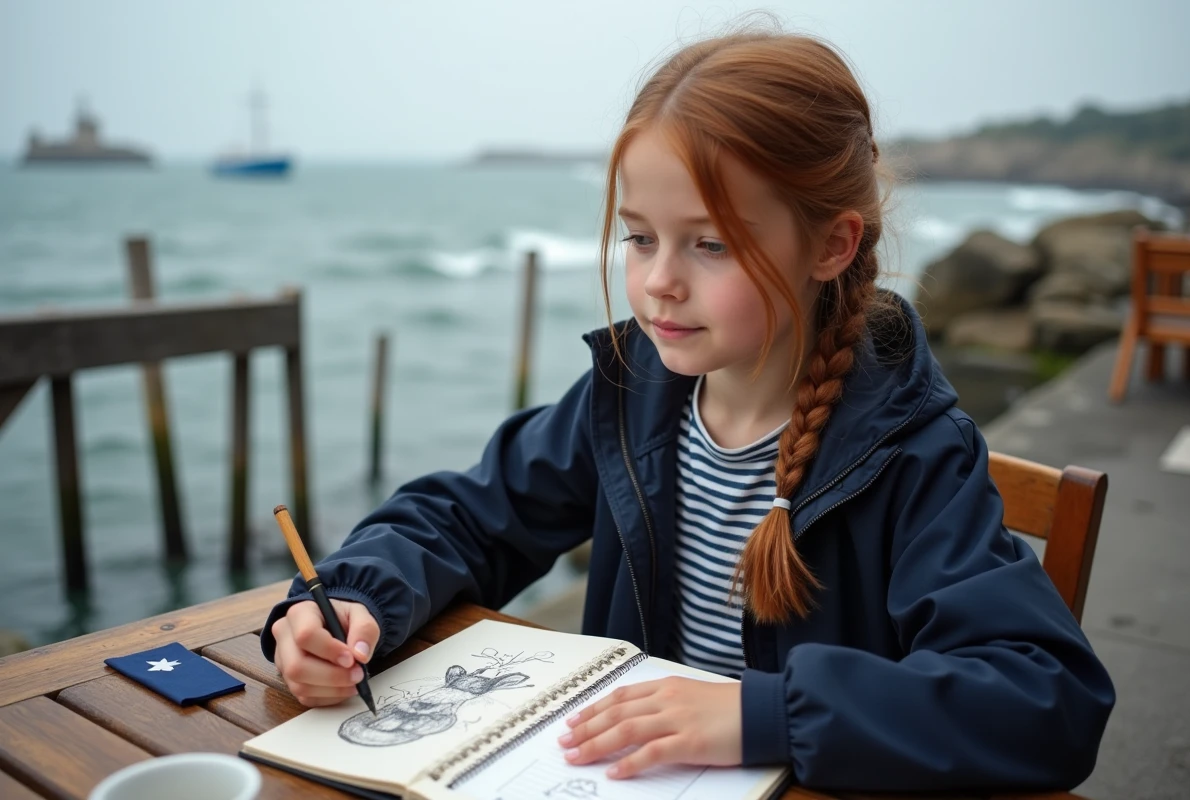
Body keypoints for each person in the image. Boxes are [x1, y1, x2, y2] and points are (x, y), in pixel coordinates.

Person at [261, 29, 1114, 792]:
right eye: (639, 237)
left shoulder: (915, 453)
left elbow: (1046, 697)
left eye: (709, 244)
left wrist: (759, 716)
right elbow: (468, 515)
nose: (660, 280)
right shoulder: (633, 396)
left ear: (831, 244)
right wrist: (351, 598)